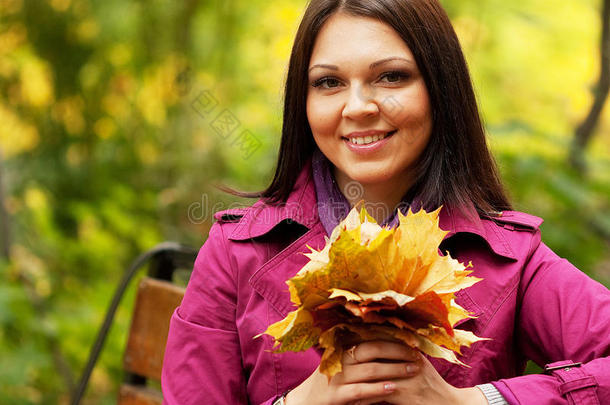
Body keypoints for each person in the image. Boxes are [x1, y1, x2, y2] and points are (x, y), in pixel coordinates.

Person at [161, 0, 610, 404]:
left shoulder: (510, 260)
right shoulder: (237, 251)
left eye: (391, 76)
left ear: (440, 89)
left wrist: (473, 403)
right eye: (329, 82)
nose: (357, 106)